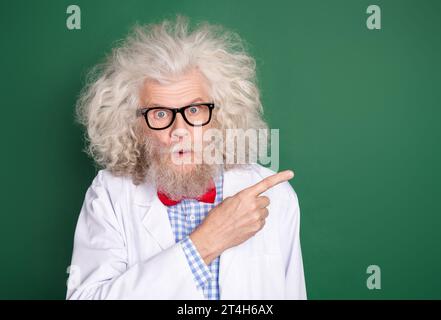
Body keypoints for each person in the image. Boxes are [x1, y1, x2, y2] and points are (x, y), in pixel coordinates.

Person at [66, 15, 307, 300]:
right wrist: (205, 243)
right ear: (134, 126)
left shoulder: (275, 195)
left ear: (220, 115)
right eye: (159, 114)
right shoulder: (109, 195)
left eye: (194, 111)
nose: (179, 131)